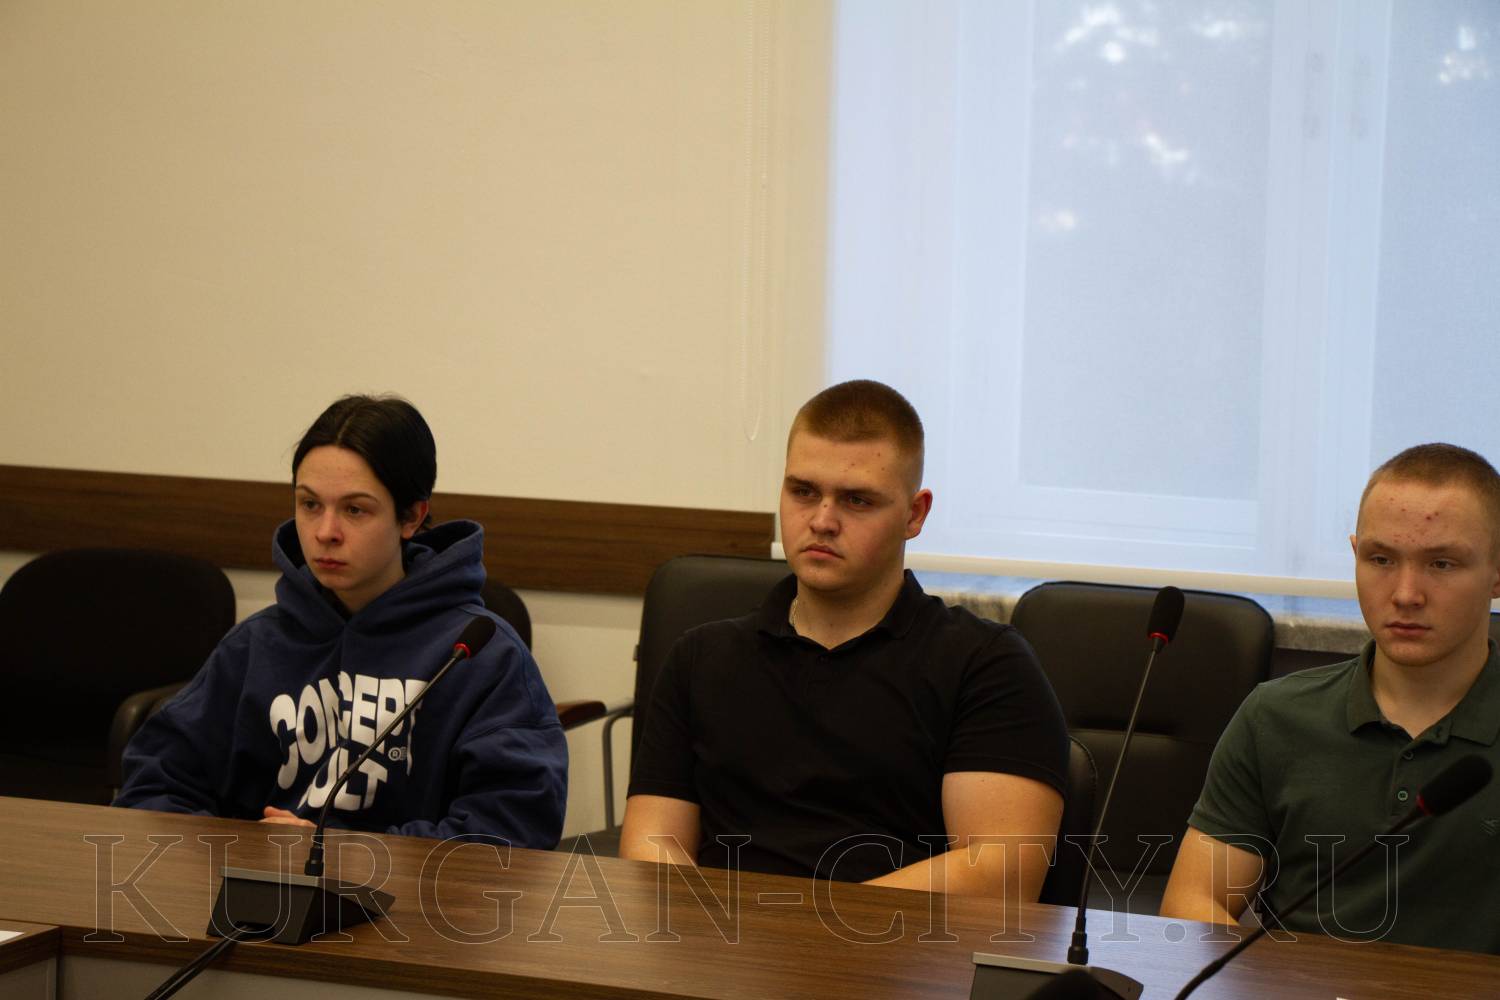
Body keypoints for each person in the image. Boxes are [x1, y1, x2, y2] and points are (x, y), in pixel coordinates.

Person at [620, 380, 1068, 899]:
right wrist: (716, 929)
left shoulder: (986, 665)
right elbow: (651, 845)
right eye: (803, 492)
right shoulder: (701, 658)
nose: (822, 521)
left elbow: (1000, 875)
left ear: (915, 514)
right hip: (720, 937)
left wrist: (807, 926)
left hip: (898, 943)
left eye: (857, 500)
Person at [115, 395, 568, 846]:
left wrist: (339, 853)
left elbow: (512, 827)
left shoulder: (481, 653)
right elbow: (155, 785)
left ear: (411, 517)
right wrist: (245, 850)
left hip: (418, 891)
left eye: (355, 510)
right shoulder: (257, 644)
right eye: (310, 504)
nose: (325, 532)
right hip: (258, 885)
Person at [1160, 443, 1500, 952]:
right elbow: (1192, 902)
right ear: (1355, 554)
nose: (1406, 593)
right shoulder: (1276, 716)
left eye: (1442, 564)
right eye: (1380, 559)